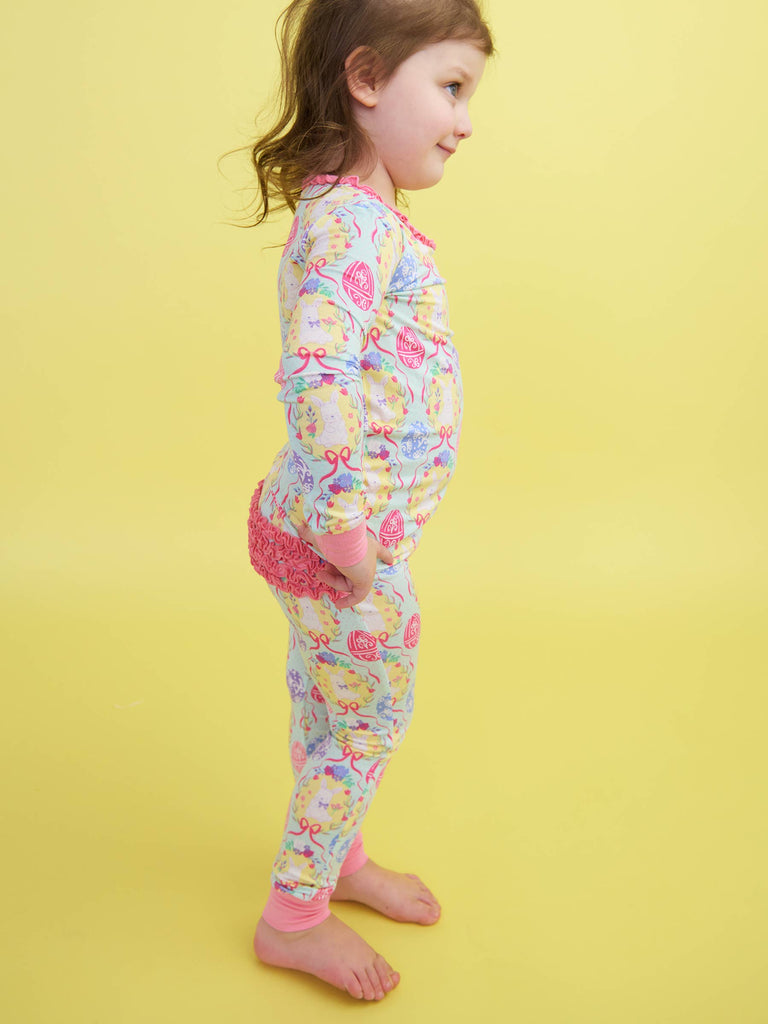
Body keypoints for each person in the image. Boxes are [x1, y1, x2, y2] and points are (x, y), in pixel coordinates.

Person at [245, 0, 493, 1001]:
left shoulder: (354, 215)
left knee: (327, 705)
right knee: (365, 723)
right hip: (342, 548)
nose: (466, 121)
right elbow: (317, 372)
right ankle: (294, 914)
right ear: (366, 79)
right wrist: (350, 537)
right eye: (452, 87)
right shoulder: (352, 224)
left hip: (314, 525)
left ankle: (338, 858)